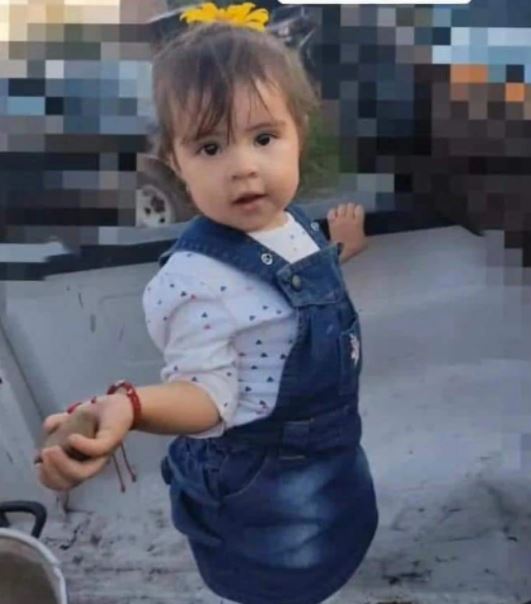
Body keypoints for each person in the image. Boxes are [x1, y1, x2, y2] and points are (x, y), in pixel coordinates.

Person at [35, 3, 377, 603]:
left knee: (335, 549)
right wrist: (130, 407)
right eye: (210, 147)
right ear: (176, 162)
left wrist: (338, 249)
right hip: (264, 481)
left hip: (331, 456)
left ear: (298, 133)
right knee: (279, 583)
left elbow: (295, 294)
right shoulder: (196, 281)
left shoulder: (289, 223)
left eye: (264, 138)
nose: (244, 167)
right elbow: (207, 397)